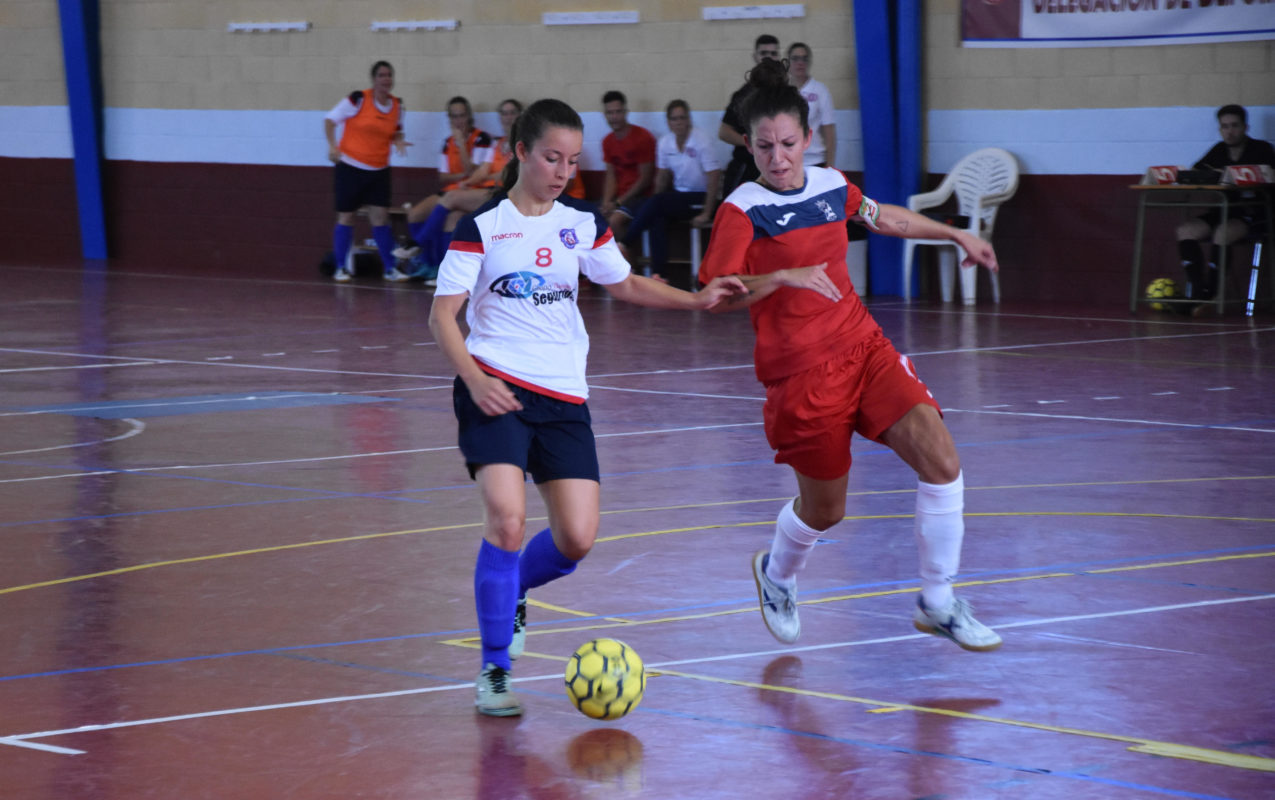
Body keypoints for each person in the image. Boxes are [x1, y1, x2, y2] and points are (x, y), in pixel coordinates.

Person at [427, 98, 746, 717]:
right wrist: (474, 379)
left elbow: (622, 282)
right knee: (507, 519)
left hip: (563, 395)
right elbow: (443, 316)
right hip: (495, 385)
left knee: (576, 538)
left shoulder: (580, 222)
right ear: (522, 151)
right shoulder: (483, 226)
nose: (562, 172)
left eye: (572, 161)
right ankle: (495, 670)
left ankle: (515, 587)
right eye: (552, 158)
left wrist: (695, 300)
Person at [697, 59, 1003, 653]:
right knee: (825, 511)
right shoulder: (741, 209)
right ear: (749, 146)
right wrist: (781, 276)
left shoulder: (832, 185)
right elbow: (715, 294)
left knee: (942, 461)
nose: (778, 158)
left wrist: (955, 233)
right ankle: (778, 574)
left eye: (788, 144)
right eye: (765, 147)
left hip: (864, 348)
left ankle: (938, 601)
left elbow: (884, 218)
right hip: (800, 376)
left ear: (807, 138)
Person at [398, 99, 523, 283]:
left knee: (451, 197)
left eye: (512, 113)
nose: (508, 117)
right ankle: (444, 273)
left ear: (520, 116)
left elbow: (508, 174)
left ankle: (418, 244)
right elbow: (482, 171)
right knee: (452, 218)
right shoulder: (498, 143)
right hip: (487, 191)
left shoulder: (523, 143)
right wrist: (468, 182)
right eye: (504, 113)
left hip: (506, 195)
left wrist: (478, 178)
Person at [323, 60, 413, 283]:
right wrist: (333, 146)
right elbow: (330, 120)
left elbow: (397, 130)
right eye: (381, 75)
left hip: (379, 171)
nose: (386, 79)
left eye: (389, 75)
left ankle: (390, 268)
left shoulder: (398, 106)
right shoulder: (358, 99)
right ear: (374, 79)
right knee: (346, 216)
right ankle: (340, 267)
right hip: (350, 167)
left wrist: (398, 140)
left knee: (380, 218)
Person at [1176, 104, 1275, 301]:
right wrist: (1211, 175)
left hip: (1255, 212)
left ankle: (1210, 293)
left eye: (1234, 126)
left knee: (1222, 232)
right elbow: (1196, 171)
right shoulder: (1218, 150)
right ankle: (1196, 291)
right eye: (1225, 126)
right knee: (1185, 231)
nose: (1230, 131)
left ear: (1245, 127)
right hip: (1225, 210)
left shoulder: (1262, 149)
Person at [621, 100, 721, 278]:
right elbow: (661, 177)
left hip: (702, 198)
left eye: (682, 118)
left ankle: (625, 243)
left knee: (657, 203)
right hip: (679, 197)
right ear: (668, 122)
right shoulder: (665, 143)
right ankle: (659, 275)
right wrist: (653, 205)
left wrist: (707, 213)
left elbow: (714, 177)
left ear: (689, 119)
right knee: (656, 216)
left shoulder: (702, 140)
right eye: (675, 119)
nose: (679, 122)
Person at [719, 34, 781, 198]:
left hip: (774, 170)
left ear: (779, 57)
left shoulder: (783, 94)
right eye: (764, 53)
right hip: (746, 170)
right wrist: (754, 144)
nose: (768, 58)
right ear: (755, 57)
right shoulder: (744, 95)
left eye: (773, 54)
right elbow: (724, 132)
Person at [599, 90, 657, 242]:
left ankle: (626, 257)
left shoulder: (643, 137)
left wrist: (618, 203)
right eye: (610, 113)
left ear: (626, 112)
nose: (614, 117)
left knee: (614, 221)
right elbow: (611, 176)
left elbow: (645, 179)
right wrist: (606, 203)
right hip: (620, 199)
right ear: (605, 115)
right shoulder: (607, 141)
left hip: (642, 197)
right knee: (594, 218)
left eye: (618, 112)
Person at [786, 42, 836, 169]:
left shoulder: (820, 90)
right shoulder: (781, 91)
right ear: (788, 62)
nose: (800, 63)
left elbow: (829, 133)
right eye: (795, 58)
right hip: (787, 162)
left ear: (809, 62)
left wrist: (830, 168)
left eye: (804, 59)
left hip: (816, 161)